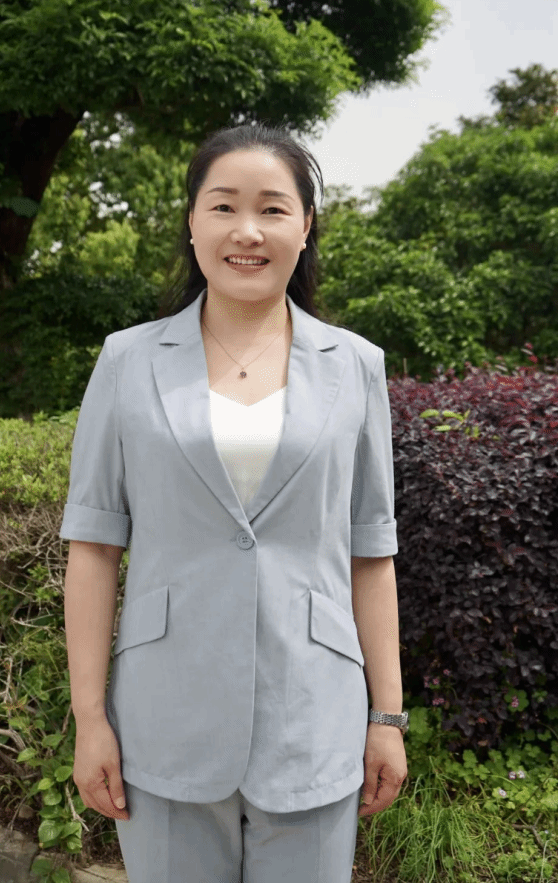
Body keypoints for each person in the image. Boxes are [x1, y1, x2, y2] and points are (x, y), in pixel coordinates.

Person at [61, 122, 407, 883]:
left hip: (313, 717)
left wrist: (387, 716)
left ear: (305, 226)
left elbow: (370, 552)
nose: (247, 231)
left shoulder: (356, 366)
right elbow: (93, 546)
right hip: (163, 718)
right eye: (223, 206)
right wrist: (90, 718)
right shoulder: (127, 359)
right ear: (192, 222)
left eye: (273, 209)